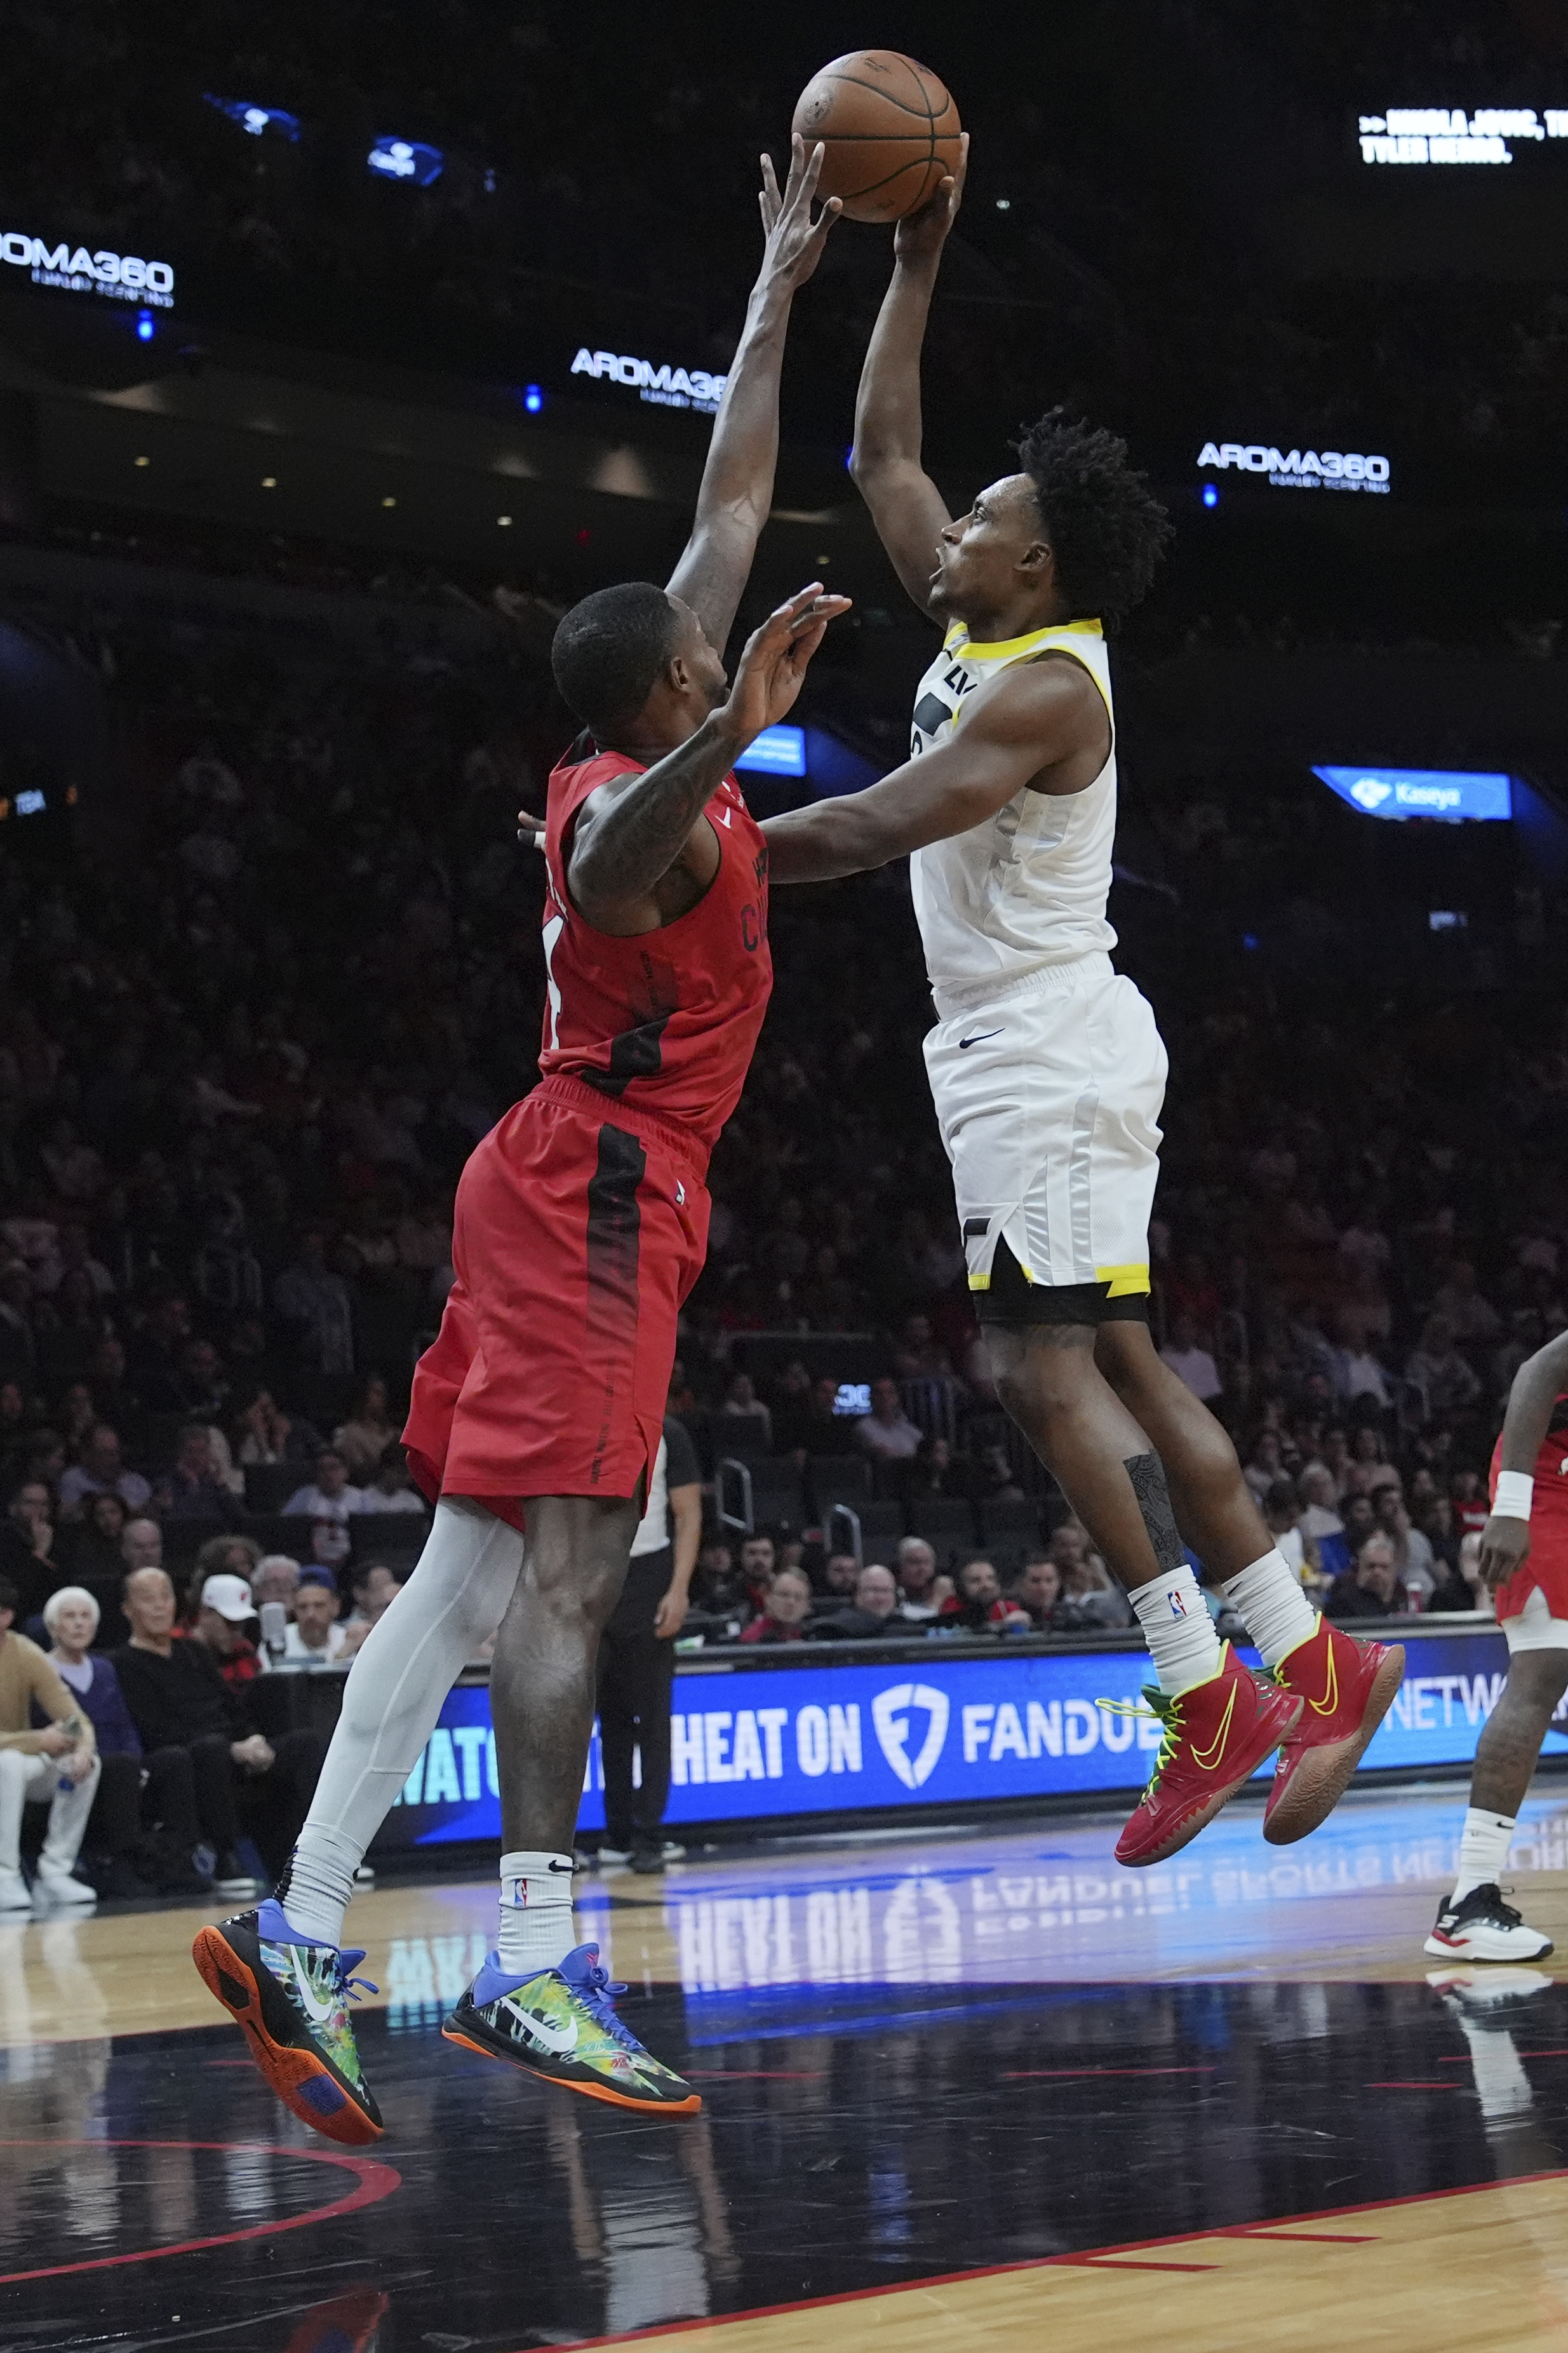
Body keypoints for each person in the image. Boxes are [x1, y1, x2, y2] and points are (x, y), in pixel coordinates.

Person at [193, 142, 847, 2140]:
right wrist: (735, 731)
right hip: (597, 1189)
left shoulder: (637, 705)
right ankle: (538, 1954)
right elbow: (624, 850)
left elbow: (730, 486)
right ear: (659, 688)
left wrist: (777, 275)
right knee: (570, 1572)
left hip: (558, 1175)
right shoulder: (609, 797)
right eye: (690, 659)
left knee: (471, 1573)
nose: (705, 630)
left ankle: (305, 1923)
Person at [757, 145, 1400, 1870]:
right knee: (1104, 1354)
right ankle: (1314, 1658)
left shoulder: (1044, 690)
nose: (946, 525)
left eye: (982, 524)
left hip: (1042, 1045)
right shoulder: (986, 616)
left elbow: (883, 819)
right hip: (1017, 1049)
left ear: (1035, 569)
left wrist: (690, 848)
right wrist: (916, 253)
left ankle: (1205, 1690)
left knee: (1033, 1372)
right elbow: (878, 451)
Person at [1425, 1330, 1568, 1962]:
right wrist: (1507, 1509)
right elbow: (1539, 1370)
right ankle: (1468, 1902)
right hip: (1545, 1478)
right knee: (1545, 1665)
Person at [114, 1567, 322, 1892]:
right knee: (209, 1749)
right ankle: (225, 1858)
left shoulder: (193, 1651)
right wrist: (232, 1749)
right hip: (194, 1756)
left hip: (232, 1747)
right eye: (148, 1599)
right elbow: (156, 1731)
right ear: (128, 1609)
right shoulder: (125, 1662)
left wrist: (253, 1738)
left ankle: (316, 1856)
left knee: (307, 1744)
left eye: (165, 1598)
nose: (158, 1607)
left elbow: (231, 1707)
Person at [41, 1586, 211, 1898]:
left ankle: (180, 1861)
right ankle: (123, 1866)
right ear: (53, 1627)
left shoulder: (104, 1667)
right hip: (76, 1761)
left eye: (85, 1617)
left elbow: (124, 1723)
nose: (79, 1624)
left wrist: (138, 1763)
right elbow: (55, 1727)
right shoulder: (42, 1670)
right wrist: (125, 1764)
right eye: (70, 1617)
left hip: (123, 1761)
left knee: (174, 1759)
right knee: (121, 1766)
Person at [595, 1416, 701, 1874]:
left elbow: (688, 1513)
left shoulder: (669, 1432)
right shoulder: (585, 1419)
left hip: (651, 1575)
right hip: (596, 1575)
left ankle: (649, 1834)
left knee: (653, 1716)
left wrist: (678, 1589)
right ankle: (616, 1832)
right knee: (609, 1717)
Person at [0, 1572, 100, 1908]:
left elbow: (76, 1721)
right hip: (9, 1761)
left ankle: (55, 1872)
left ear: (6, 1616)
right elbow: (34, 1743)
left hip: (14, 1765)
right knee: (10, 1762)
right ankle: (4, 1875)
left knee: (85, 1764)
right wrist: (35, 1741)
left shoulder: (25, 1652)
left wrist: (83, 1747)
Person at [812, 1561, 904, 1639]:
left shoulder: (905, 1627)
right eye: (874, 1590)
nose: (881, 1598)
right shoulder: (833, 1630)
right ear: (857, 1594)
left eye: (886, 1591)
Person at [938, 1558, 1031, 1634]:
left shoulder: (1007, 1608)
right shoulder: (951, 1607)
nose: (986, 1585)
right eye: (975, 1580)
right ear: (961, 1587)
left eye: (990, 1579)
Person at [283, 1448, 368, 1523]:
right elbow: (284, 1523)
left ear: (346, 1472)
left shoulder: (361, 1499)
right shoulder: (305, 1496)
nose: (328, 1474)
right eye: (322, 1469)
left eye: (333, 1468)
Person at [281, 1574, 348, 1665]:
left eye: (319, 1606)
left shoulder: (346, 1640)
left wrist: (346, 1650)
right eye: (302, 1607)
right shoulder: (278, 1642)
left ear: (336, 1607)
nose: (310, 1615)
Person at [737, 1566, 814, 1644]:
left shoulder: (814, 1637)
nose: (791, 1602)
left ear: (807, 1606)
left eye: (798, 1598)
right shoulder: (752, 1638)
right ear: (768, 1599)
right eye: (784, 1595)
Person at [894, 1535, 954, 1623]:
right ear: (901, 1566)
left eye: (927, 1563)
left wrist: (940, 1599)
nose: (922, 1569)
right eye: (915, 1562)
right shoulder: (891, 1591)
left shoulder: (942, 1589)